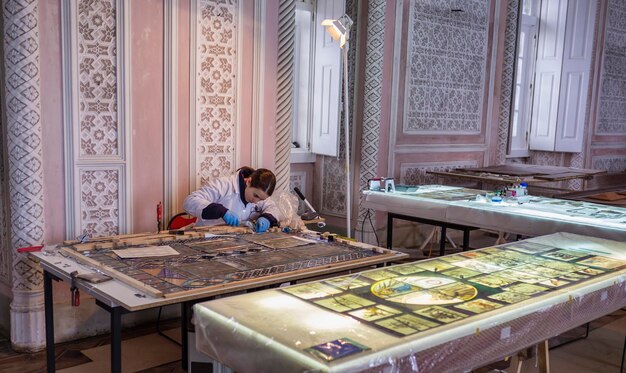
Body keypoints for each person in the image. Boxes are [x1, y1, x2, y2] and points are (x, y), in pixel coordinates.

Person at [183, 167, 280, 233]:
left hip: (236, 242)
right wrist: (221, 211)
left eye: (261, 199)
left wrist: (267, 218)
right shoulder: (223, 185)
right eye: (255, 195)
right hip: (206, 237)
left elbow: (273, 208)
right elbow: (189, 202)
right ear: (248, 181)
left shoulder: (260, 196)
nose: (256, 201)